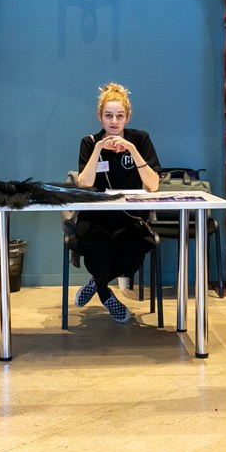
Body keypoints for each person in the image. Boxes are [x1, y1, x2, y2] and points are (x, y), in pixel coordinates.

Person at [72, 82, 161, 322]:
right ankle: (105, 294)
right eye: (108, 115)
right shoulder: (89, 142)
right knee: (96, 243)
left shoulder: (140, 139)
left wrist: (132, 150)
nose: (114, 121)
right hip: (95, 217)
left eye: (119, 116)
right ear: (100, 117)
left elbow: (153, 185)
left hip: (129, 217)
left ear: (127, 118)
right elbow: (84, 184)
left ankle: (96, 282)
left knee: (137, 245)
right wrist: (98, 149)